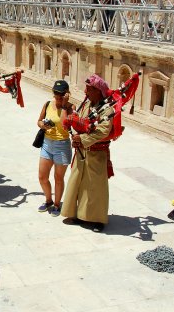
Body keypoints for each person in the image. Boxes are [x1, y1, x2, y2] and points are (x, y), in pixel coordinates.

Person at [61, 74, 114, 232]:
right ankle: (76, 214)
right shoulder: (86, 104)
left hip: (97, 154)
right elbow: (79, 119)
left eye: (89, 89)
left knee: (94, 187)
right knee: (77, 183)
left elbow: (103, 130)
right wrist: (72, 121)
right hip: (81, 152)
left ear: (98, 91)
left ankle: (97, 219)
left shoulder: (107, 109)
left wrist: (82, 138)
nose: (86, 91)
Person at [37, 80, 74, 217]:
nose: (57, 98)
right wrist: (43, 125)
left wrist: (63, 106)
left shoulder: (70, 107)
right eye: (56, 95)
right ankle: (48, 200)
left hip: (62, 145)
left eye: (61, 95)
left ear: (67, 94)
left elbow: (66, 125)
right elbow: (39, 121)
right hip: (47, 143)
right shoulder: (47, 104)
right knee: (42, 177)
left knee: (58, 177)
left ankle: (57, 205)